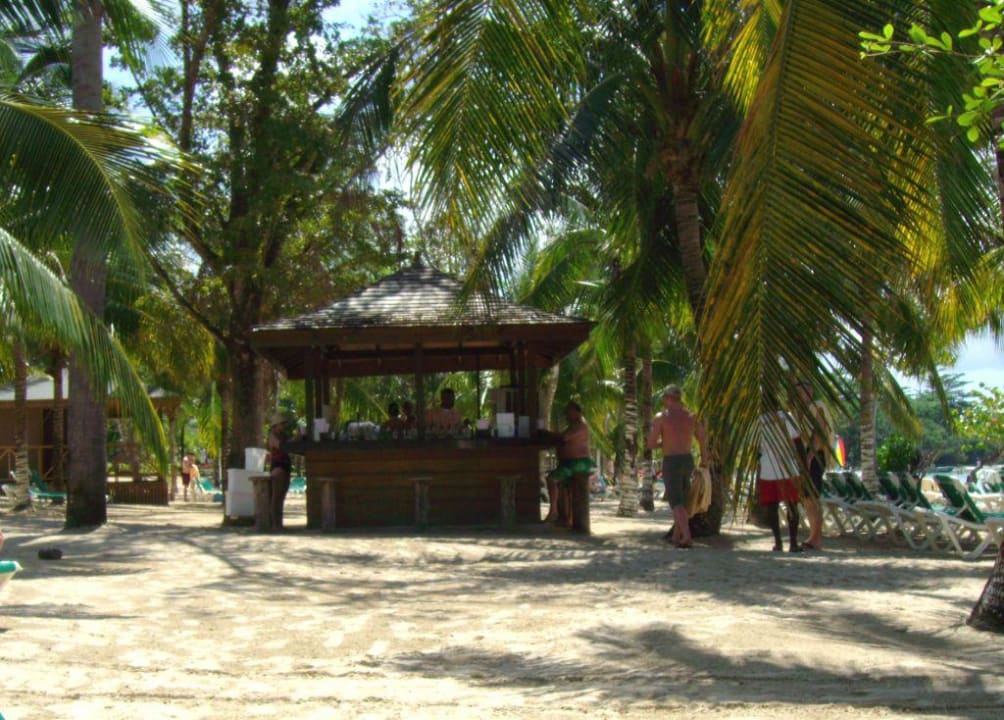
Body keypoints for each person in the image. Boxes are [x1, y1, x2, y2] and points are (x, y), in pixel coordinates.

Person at [647, 385, 708, 549]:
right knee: (684, 499)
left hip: (671, 461)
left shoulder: (661, 417)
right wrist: (704, 459)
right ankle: (676, 536)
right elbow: (702, 439)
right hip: (688, 460)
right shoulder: (692, 416)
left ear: (667, 399)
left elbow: (651, 443)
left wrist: (664, 443)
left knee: (676, 502)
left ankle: (687, 536)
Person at [794, 381, 834, 550]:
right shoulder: (803, 411)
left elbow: (820, 431)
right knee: (807, 498)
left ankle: (816, 538)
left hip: (814, 455)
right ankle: (813, 535)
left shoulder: (817, 406)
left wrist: (810, 455)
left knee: (812, 497)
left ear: (810, 390)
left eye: (802, 391)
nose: (800, 395)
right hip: (806, 454)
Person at [759, 404, 803, 552]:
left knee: (772, 507)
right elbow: (798, 442)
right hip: (787, 467)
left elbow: (755, 448)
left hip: (767, 467)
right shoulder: (786, 417)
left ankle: (778, 542)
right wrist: (803, 467)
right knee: (792, 505)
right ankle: (793, 543)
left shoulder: (759, 421)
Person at [544, 401, 593, 527]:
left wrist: (550, 435)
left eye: (569, 412)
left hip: (578, 463)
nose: (566, 414)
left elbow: (564, 437)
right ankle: (566, 517)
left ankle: (554, 511)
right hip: (569, 463)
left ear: (576, 412)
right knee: (563, 486)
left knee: (552, 479)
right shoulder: (573, 425)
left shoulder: (580, 425)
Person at [267, 411, 295, 530]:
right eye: (282, 424)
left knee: (281, 497)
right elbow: (281, 446)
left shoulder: (283, 435)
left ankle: (279, 523)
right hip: (278, 466)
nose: (283, 426)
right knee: (276, 498)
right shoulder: (272, 436)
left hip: (286, 466)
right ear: (276, 425)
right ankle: (274, 524)